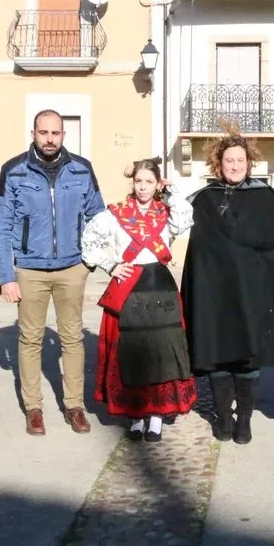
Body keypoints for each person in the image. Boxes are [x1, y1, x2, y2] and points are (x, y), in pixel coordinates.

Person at [180, 125, 274, 445]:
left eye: (240, 160)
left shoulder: (265, 198)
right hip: (215, 293)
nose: (235, 166)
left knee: (248, 357)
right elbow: (198, 250)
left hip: (252, 292)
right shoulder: (205, 200)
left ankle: (245, 419)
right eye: (229, 160)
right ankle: (224, 416)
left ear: (248, 163)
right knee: (217, 354)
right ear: (218, 164)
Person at [0, 109, 105, 436]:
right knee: (30, 339)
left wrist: (90, 261)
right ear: (33, 134)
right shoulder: (13, 171)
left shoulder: (81, 169)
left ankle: (74, 406)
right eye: (44, 133)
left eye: (55, 133)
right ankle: (34, 408)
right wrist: (6, 277)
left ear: (63, 136)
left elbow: (98, 218)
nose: (50, 139)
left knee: (73, 338)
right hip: (30, 270)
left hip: (72, 268)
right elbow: (0, 226)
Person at [80, 157, 197, 442]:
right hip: (129, 286)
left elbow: (186, 218)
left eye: (149, 182)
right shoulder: (115, 214)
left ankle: (156, 416)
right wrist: (111, 265)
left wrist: (172, 191)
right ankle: (134, 416)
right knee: (130, 353)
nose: (143, 187)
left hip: (160, 288)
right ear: (132, 183)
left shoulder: (166, 213)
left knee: (161, 352)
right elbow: (89, 240)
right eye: (138, 181)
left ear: (157, 184)